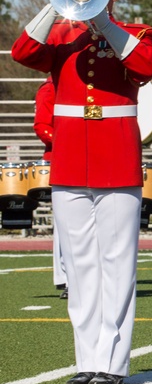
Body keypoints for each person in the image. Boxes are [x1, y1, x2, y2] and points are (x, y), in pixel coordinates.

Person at [12, 0, 152, 384]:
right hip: (70, 160)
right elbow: (23, 51)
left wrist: (102, 22)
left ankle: (113, 364)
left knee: (116, 264)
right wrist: (58, 1)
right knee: (79, 268)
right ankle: (87, 361)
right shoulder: (59, 34)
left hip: (116, 159)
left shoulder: (135, 33)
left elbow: (149, 66)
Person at [32, 77, 67, 299]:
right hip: (61, 156)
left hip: (92, 155)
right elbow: (43, 126)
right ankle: (67, 278)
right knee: (67, 223)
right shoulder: (51, 87)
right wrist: (68, 141)